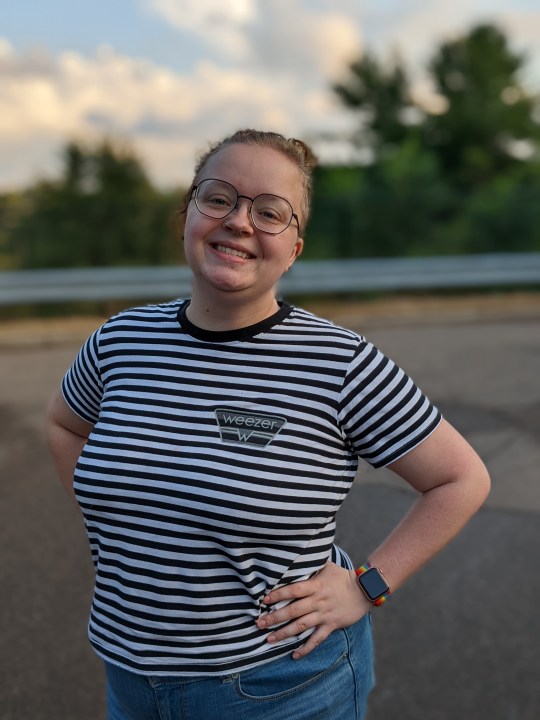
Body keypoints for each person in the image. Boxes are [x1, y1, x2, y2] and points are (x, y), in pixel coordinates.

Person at [47, 129, 490, 720]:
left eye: (270, 212)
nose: (239, 221)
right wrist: (131, 526)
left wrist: (365, 585)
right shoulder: (119, 341)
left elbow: (461, 480)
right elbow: (64, 424)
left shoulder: (339, 362)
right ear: (188, 215)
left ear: (295, 248)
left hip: (279, 685)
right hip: (129, 674)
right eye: (219, 198)